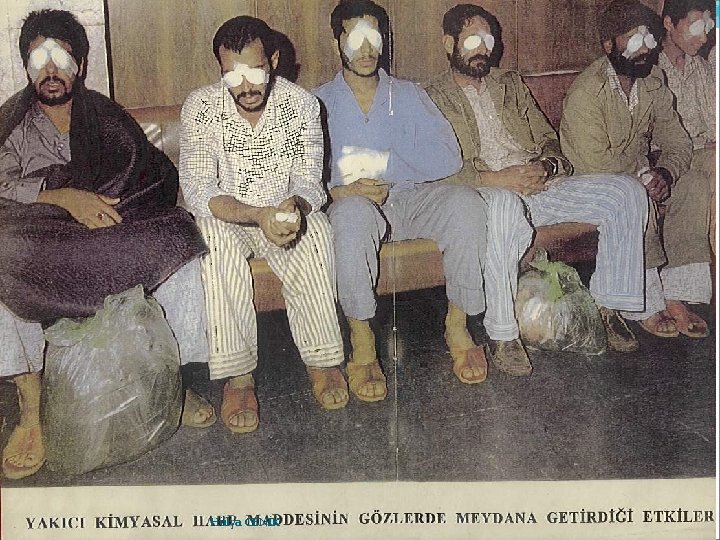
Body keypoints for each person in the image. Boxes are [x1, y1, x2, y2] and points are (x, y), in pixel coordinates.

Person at [0, 9, 211, 480]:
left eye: (61, 59)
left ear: (81, 65)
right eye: (38, 60)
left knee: (178, 236)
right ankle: (31, 410)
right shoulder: (12, 124)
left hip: (109, 231)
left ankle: (171, 382)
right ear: (26, 68)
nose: (50, 71)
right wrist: (60, 197)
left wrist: (106, 206)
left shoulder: (105, 114)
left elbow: (146, 173)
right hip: (43, 240)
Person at [424, 4, 651, 355]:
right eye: (471, 41)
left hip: (539, 186)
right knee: (504, 205)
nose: (483, 48)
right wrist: (496, 179)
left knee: (627, 192)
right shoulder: (430, 97)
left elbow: (549, 141)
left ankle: (609, 307)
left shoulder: (509, 83)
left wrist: (546, 166)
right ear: (448, 43)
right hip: (487, 192)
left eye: (488, 40)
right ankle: (503, 334)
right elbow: (433, 169)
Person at [315, 0, 493, 402]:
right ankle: (362, 342)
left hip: (408, 202)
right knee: (353, 215)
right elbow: (301, 180)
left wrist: (386, 164)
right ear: (337, 42)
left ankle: (458, 324)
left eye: (374, 37)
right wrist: (344, 190)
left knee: (466, 203)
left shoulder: (408, 94)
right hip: (352, 210)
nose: (366, 48)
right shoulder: (316, 103)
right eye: (355, 38)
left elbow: (449, 157)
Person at [179, 16, 348, 433]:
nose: (245, 85)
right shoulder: (200, 107)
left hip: (282, 214)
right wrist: (256, 215)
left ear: (272, 61)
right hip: (231, 217)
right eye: (233, 75)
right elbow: (199, 190)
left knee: (317, 230)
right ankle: (238, 377)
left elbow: (310, 183)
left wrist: (294, 206)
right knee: (210, 235)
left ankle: (322, 361)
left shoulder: (302, 105)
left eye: (255, 71)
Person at [560, 0, 700, 339]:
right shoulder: (587, 92)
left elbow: (678, 141)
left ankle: (676, 293)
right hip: (591, 185)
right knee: (634, 193)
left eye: (650, 39)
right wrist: (644, 177)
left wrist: (665, 173)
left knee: (693, 183)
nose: (644, 48)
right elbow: (592, 164)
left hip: (640, 175)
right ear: (608, 45)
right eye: (634, 39)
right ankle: (642, 301)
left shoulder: (652, 80)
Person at [657, 0, 715, 336]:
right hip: (666, 157)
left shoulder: (701, 67)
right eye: (695, 27)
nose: (704, 37)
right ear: (669, 23)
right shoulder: (651, 67)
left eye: (707, 27)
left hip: (703, 150)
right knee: (696, 183)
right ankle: (675, 294)